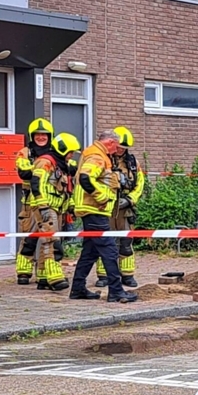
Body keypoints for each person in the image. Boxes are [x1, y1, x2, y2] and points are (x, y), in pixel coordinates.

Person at [69, 130, 138, 303]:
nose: (117, 150)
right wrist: (101, 197)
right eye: (117, 146)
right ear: (110, 142)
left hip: (91, 210)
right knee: (110, 250)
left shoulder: (95, 153)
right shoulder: (98, 157)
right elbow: (85, 178)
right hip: (95, 210)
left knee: (90, 252)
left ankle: (77, 289)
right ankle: (116, 291)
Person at [29, 133, 81, 291]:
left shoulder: (60, 165)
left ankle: (44, 277)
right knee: (52, 242)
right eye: (70, 152)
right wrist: (43, 206)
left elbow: (66, 189)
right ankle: (55, 278)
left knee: (48, 240)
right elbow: (36, 183)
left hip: (57, 207)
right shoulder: (45, 162)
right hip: (46, 206)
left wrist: (71, 205)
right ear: (62, 149)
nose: (71, 156)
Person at [96, 126, 145, 289]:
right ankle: (104, 275)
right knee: (107, 240)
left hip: (125, 208)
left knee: (126, 241)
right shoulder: (103, 160)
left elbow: (139, 184)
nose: (120, 150)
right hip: (106, 206)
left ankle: (127, 275)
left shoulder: (132, 163)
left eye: (123, 148)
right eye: (118, 147)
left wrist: (130, 199)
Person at [15, 118, 55, 285]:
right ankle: (23, 272)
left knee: (49, 239)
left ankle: (44, 273)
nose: (41, 137)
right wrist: (42, 167)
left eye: (44, 135)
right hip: (30, 203)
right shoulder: (25, 152)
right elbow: (23, 172)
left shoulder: (55, 153)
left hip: (49, 202)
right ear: (32, 136)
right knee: (29, 238)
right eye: (38, 135)